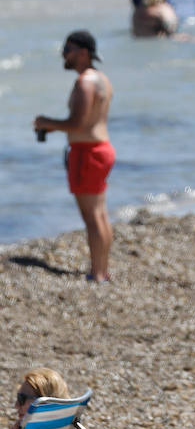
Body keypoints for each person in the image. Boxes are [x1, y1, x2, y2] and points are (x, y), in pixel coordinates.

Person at [33, 32, 115, 283]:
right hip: (102, 148)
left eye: (67, 48)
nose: (63, 54)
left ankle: (97, 273)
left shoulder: (84, 82)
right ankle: (102, 269)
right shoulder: (102, 79)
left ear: (83, 52)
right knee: (100, 213)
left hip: (87, 153)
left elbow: (77, 124)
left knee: (92, 217)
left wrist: (45, 122)